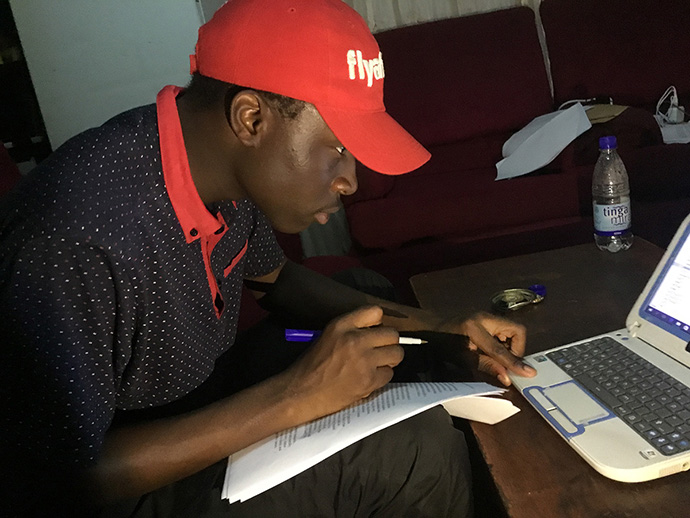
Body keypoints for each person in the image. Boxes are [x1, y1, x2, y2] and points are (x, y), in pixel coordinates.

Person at [0, 1, 536, 516]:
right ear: (251, 118)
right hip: (125, 484)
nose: (351, 180)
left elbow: (275, 282)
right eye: (339, 149)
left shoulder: (213, 165)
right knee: (415, 454)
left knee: (368, 293)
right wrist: (296, 397)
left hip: (196, 396)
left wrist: (440, 328)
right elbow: (59, 479)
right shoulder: (76, 237)